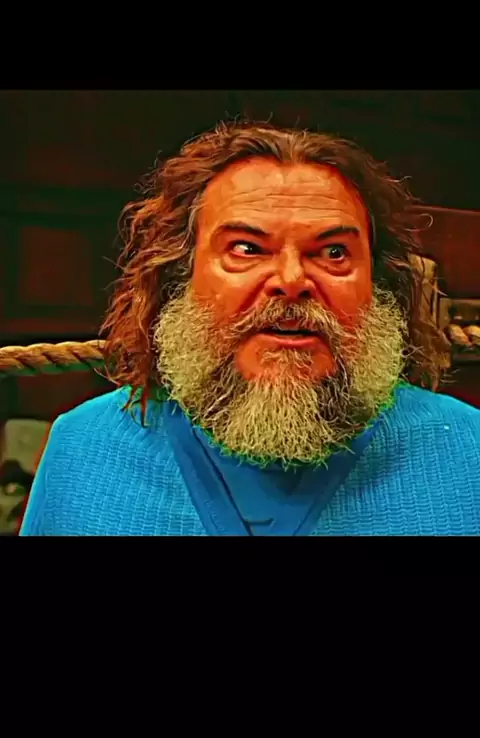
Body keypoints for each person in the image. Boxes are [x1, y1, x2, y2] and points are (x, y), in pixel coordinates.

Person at [20, 121, 480, 536]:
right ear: (179, 275)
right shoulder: (84, 448)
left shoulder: (467, 449)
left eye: (334, 253)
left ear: (378, 283)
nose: (292, 281)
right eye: (246, 248)